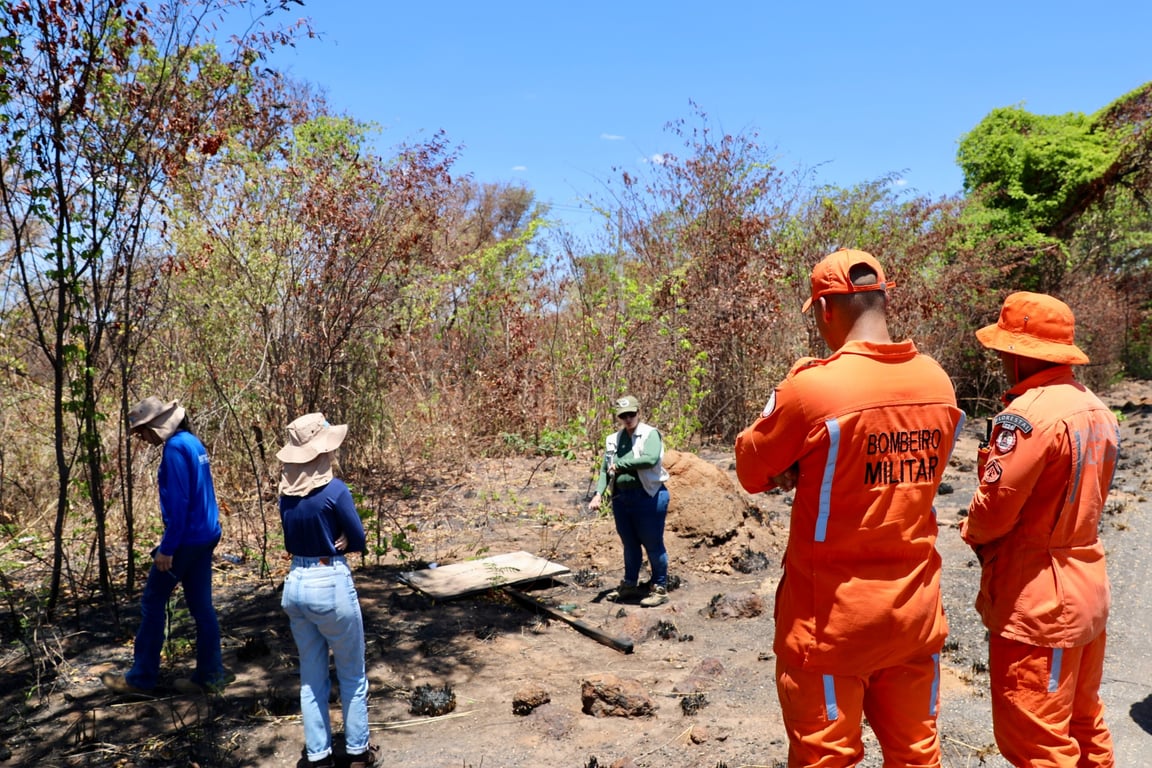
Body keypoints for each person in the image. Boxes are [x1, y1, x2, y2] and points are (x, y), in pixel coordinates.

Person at [734, 248, 965, 767]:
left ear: (824, 309)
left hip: (832, 626)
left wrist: (796, 446)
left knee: (827, 759)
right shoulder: (937, 381)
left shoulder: (812, 387)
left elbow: (751, 469)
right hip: (914, 615)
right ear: (884, 301)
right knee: (917, 756)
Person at [960, 292, 1118, 767]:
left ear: (1020, 353)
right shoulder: (1096, 407)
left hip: (1040, 604)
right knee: (1083, 724)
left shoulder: (1027, 416)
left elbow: (994, 512)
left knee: (1037, 742)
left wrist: (971, 530)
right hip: (1087, 587)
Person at [102, 397, 231, 695]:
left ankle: (140, 679)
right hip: (206, 534)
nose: (141, 438)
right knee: (202, 606)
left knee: (152, 602)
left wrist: (167, 549)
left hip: (186, 540)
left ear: (155, 426)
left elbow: (180, 503)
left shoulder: (174, 449)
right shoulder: (192, 442)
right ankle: (211, 676)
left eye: (141, 431)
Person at [277, 413, 377, 768]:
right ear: (322, 452)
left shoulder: (286, 495)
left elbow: (290, 542)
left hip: (296, 584)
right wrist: (347, 537)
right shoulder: (335, 491)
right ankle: (358, 753)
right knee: (352, 674)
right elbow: (359, 540)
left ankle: (319, 756)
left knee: (311, 678)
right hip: (330, 581)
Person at [588, 394, 672, 607]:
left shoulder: (650, 434)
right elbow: (605, 469)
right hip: (621, 498)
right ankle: (630, 585)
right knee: (630, 543)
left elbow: (650, 459)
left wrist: (621, 465)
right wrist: (598, 494)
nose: (627, 419)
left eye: (631, 414)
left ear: (638, 413)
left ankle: (660, 587)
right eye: (623, 416)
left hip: (649, 496)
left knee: (652, 543)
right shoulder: (613, 439)